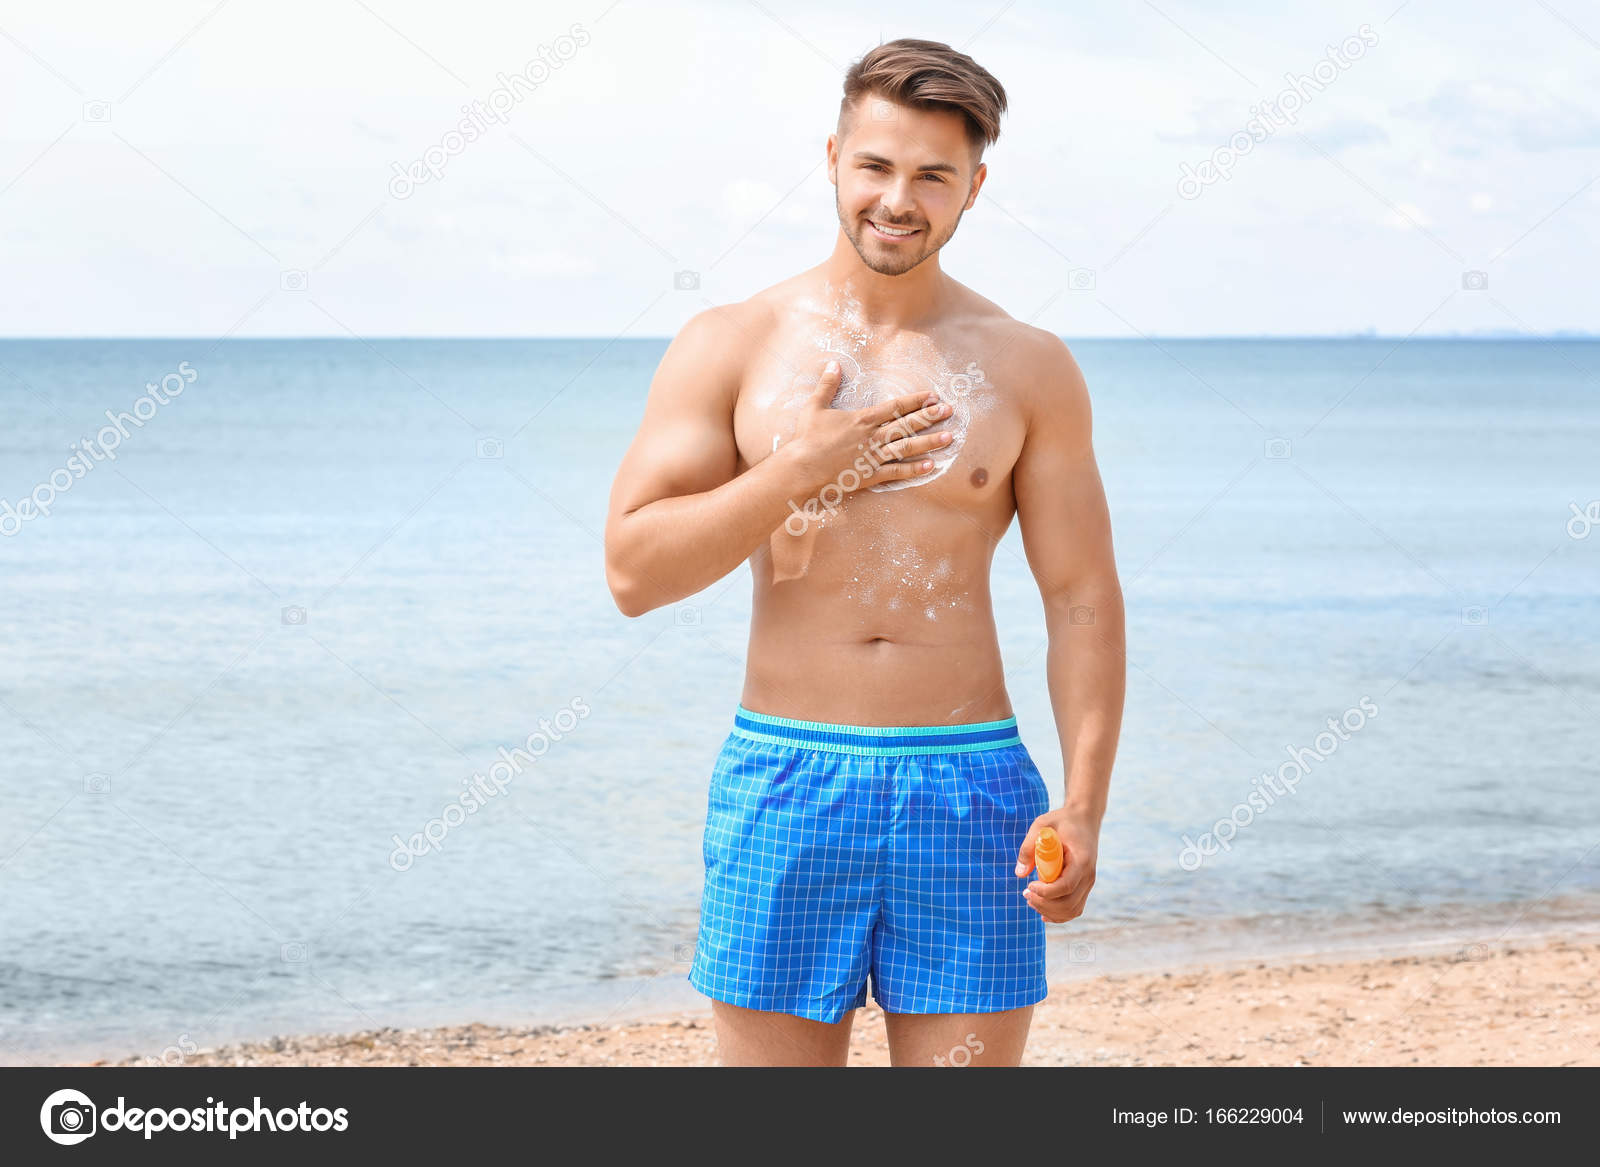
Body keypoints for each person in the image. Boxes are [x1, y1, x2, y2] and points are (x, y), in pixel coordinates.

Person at [604, 37, 1124, 1067]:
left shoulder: (1027, 365)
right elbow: (634, 574)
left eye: (934, 174)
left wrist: (1084, 801)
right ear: (833, 157)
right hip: (786, 779)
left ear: (975, 187)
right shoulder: (732, 343)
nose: (898, 198)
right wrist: (798, 469)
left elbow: (1080, 599)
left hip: (970, 789)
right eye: (876, 167)